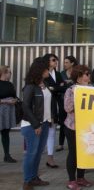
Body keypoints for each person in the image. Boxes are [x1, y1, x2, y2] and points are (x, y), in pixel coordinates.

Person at [21, 57, 51, 190]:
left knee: (38, 153)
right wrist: (35, 124)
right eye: (47, 68)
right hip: (32, 125)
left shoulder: (43, 85)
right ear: (40, 70)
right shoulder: (30, 86)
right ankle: (27, 181)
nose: (49, 70)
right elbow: (25, 107)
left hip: (44, 123)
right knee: (31, 153)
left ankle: (34, 177)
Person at [64, 65, 93, 190]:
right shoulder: (71, 90)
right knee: (73, 153)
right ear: (79, 76)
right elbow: (67, 108)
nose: (89, 76)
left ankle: (81, 177)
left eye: (88, 73)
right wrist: (80, 97)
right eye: (86, 74)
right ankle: (71, 180)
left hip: (86, 127)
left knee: (83, 153)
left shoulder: (92, 89)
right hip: (73, 127)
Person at [43, 53, 64, 169]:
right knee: (44, 131)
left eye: (56, 60)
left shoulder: (57, 73)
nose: (56, 62)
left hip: (55, 105)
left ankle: (50, 157)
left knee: (52, 131)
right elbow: (49, 88)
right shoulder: (44, 74)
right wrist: (57, 87)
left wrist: (55, 87)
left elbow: (63, 87)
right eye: (53, 60)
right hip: (46, 105)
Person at [58, 56, 78, 152]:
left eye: (66, 62)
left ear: (72, 63)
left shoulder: (77, 72)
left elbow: (64, 84)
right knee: (63, 122)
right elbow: (60, 85)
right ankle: (60, 143)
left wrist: (66, 83)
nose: (64, 64)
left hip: (74, 101)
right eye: (64, 62)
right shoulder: (62, 73)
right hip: (63, 99)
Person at [0, 65, 17, 163]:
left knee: (6, 132)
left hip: (8, 111)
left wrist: (14, 100)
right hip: (1, 109)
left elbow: (14, 95)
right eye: (9, 72)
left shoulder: (10, 84)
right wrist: (6, 102)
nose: (10, 74)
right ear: (4, 73)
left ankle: (7, 155)